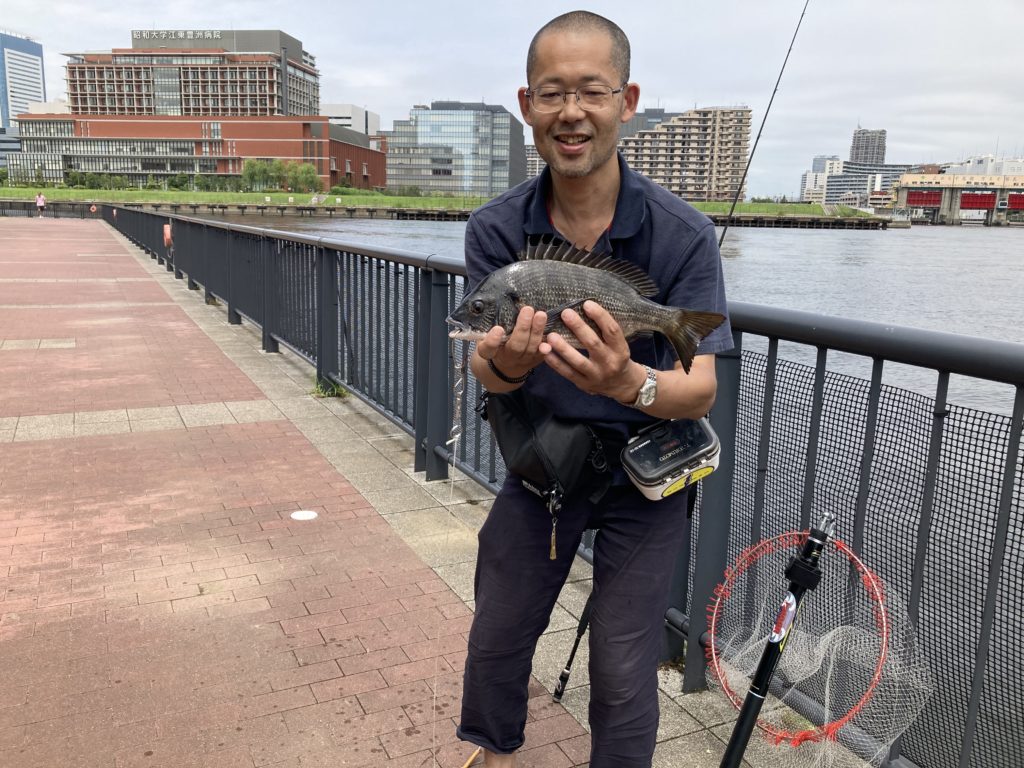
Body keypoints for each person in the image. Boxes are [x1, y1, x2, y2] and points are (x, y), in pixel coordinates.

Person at [456, 11, 733, 768]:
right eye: (552, 94)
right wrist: (509, 364)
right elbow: (484, 365)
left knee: (621, 665)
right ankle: (492, 747)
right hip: (542, 465)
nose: (571, 112)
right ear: (527, 105)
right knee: (498, 633)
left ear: (626, 99)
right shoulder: (496, 231)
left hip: (646, 478)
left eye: (591, 91)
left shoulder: (682, 234)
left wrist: (628, 381)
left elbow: (700, 389)